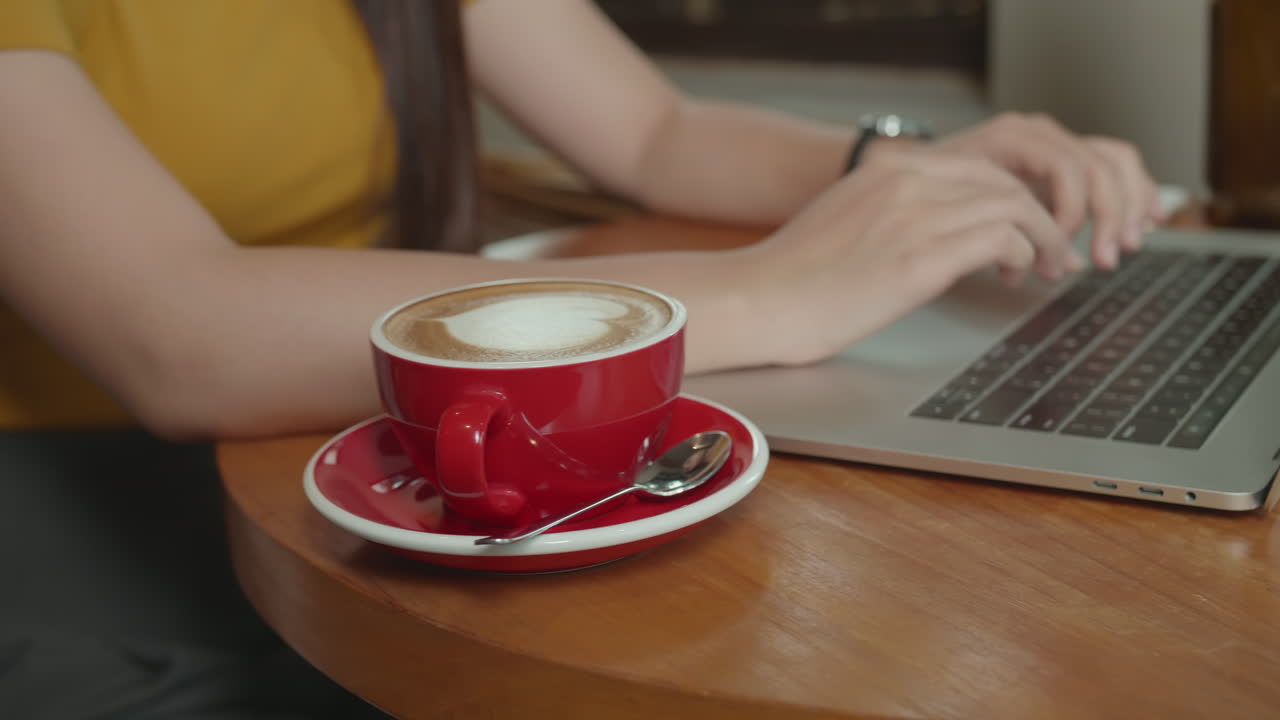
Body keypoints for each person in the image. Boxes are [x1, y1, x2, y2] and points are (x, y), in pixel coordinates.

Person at [0, 1, 1164, 717]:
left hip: (387, 461)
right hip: (84, 537)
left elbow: (653, 130)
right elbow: (173, 329)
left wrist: (910, 172)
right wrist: (765, 296)